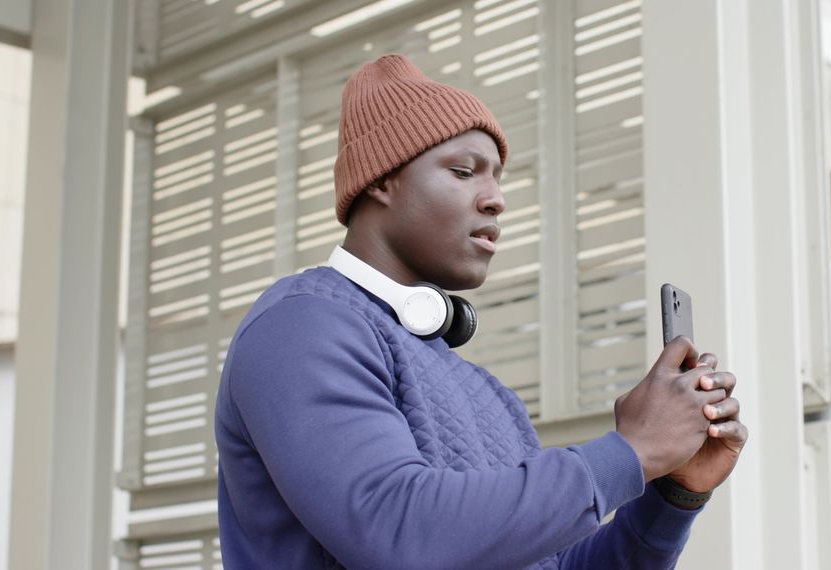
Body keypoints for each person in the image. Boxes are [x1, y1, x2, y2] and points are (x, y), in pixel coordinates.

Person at [215, 54, 747, 569]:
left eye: (498, 180)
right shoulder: (301, 327)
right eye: (465, 171)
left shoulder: (491, 396)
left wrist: (672, 494)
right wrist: (631, 451)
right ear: (380, 179)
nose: (495, 199)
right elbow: (397, 531)